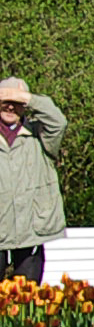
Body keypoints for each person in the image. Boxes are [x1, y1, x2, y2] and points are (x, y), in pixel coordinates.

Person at [0, 79, 63, 286]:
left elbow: (58, 121)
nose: (10, 107)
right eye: (5, 101)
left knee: (27, 304)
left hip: (32, 233)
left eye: (17, 103)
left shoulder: (40, 135)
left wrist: (27, 98)